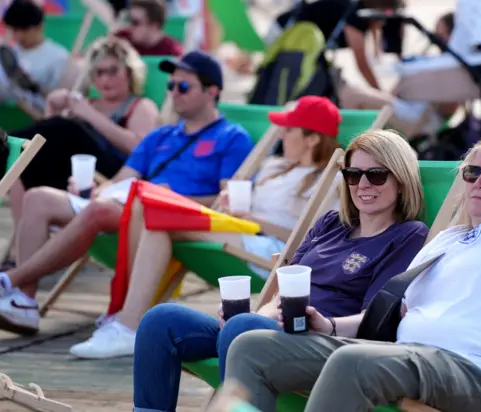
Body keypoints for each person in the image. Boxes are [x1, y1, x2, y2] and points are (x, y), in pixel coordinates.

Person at [224, 104, 481, 412]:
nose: (480, 182)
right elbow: (393, 314)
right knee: (250, 347)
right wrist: (328, 326)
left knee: (352, 361)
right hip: (400, 354)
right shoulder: (447, 240)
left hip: (471, 370)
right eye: (471, 173)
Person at [131, 129, 430, 412]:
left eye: (375, 175)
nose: (362, 185)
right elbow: (285, 288)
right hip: (275, 328)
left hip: (328, 342)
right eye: (353, 174)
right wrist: (253, 317)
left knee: (241, 330)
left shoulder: (407, 235)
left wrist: (328, 325)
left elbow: (377, 317)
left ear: (401, 179)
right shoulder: (330, 224)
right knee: (161, 321)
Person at [68, 95, 345, 359]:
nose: (280, 134)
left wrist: (252, 219)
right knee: (151, 215)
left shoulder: (329, 181)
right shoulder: (276, 167)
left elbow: (310, 240)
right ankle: (128, 317)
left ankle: (127, 324)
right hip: (240, 232)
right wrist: (229, 205)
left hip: (270, 249)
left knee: (156, 214)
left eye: (288, 128)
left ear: (312, 138)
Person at [0, 51, 254, 336]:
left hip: (171, 214)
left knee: (100, 210)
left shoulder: (232, 137)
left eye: (183, 87)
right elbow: (122, 180)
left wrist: (173, 199)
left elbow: (227, 199)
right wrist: (93, 189)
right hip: (130, 204)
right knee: (39, 197)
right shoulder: (160, 136)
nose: (174, 93)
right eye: (171, 87)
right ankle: (24, 301)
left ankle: (9, 280)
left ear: (212, 91)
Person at [1, 36, 159, 270]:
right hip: (75, 178)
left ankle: (4, 149)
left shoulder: (140, 106)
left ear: (129, 72)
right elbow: (49, 147)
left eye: (112, 71)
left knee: (69, 128)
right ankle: (26, 262)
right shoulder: (88, 104)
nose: (105, 79)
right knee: (25, 163)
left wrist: (89, 115)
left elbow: (141, 150)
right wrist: (52, 110)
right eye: (99, 73)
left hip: (116, 178)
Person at [228, 0, 404, 89]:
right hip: (286, 30)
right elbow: (362, 62)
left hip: (292, 28)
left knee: (274, 71)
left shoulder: (360, 10)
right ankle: (241, 65)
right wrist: (380, 92)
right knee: (272, 73)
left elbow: (374, 36)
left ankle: (242, 65)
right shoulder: (356, 15)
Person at [340, 12, 460, 138]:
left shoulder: (451, 66)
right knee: (350, 92)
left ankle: (346, 147)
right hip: (405, 106)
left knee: (352, 94)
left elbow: (449, 109)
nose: (435, 41)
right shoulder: (438, 62)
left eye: (440, 35)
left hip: (417, 116)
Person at [0, 0, 69, 111]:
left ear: (40, 27)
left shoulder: (58, 57)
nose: (19, 36)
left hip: (38, 119)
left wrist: (34, 87)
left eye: (25, 30)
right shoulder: (7, 54)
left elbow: (62, 101)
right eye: (15, 30)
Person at [114, 0, 183, 57]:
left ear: (154, 26)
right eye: (129, 20)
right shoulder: (120, 40)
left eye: (135, 22)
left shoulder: (172, 52)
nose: (130, 26)